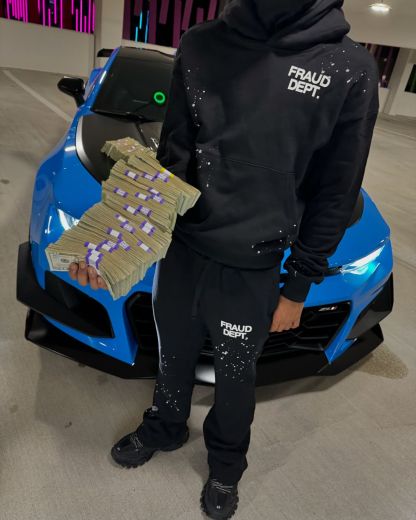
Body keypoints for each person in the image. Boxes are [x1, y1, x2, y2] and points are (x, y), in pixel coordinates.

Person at [69, 0, 379, 518]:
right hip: (183, 255)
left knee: (235, 379)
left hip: (252, 268)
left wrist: (297, 287)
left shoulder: (348, 69)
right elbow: (173, 159)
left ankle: (226, 465)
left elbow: (336, 190)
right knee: (172, 358)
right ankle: (165, 428)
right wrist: (117, 248)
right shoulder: (202, 43)